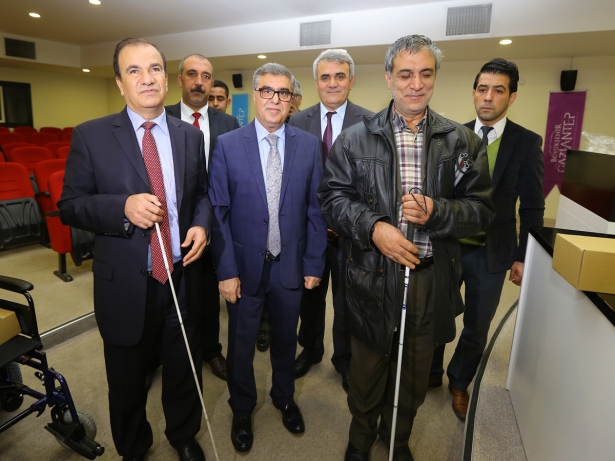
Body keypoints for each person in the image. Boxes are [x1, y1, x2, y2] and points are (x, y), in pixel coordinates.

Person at [318, 35, 495, 461]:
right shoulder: (354, 139)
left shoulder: (463, 141)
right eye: (405, 74)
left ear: (435, 77)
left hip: (429, 279)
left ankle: (397, 440)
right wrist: (374, 227)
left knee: (414, 376)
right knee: (366, 373)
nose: (416, 84)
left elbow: (481, 210)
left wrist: (438, 211)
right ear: (388, 78)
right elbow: (332, 199)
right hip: (372, 275)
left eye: (425, 74)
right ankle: (360, 442)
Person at [58, 38, 211, 461]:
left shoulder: (189, 136)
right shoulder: (91, 136)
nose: (147, 78)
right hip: (124, 283)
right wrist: (121, 207)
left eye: (155, 68)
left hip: (181, 275)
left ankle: (183, 435)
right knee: (126, 380)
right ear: (120, 83)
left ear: (167, 78)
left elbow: (201, 194)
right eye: (134, 70)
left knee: (183, 367)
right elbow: (70, 206)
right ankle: (134, 447)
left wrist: (201, 225)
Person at [208, 62, 327, 455]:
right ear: (256, 95)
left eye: (283, 92)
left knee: (285, 340)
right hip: (243, 269)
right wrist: (226, 271)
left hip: (291, 265)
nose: (275, 99)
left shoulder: (309, 146)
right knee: (241, 345)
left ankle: (284, 397)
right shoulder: (227, 145)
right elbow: (219, 213)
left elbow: (316, 210)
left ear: (292, 100)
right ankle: (242, 408)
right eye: (267, 91)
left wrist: (314, 262)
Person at [429, 58, 545, 420]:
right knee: (437, 314)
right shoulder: (451, 135)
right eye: (482, 89)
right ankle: (430, 371)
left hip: (492, 254)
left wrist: (523, 256)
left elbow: (533, 206)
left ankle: (459, 381)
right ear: (474, 93)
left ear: (511, 97)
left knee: (477, 326)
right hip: (447, 247)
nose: (488, 97)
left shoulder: (526, 143)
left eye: (498, 90)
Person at [288, 48, 373, 392]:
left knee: (347, 302)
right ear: (316, 82)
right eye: (325, 77)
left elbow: (372, 184)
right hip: (309, 233)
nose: (333, 83)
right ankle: (310, 349)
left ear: (351, 81)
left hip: (350, 235)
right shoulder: (297, 122)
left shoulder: (370, 123)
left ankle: (345, 359)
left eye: (340, 76)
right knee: (309, 299)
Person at [166, 54, 239, 381]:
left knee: (209, 294)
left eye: (206, 76)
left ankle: (210, 350)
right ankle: (160, 355)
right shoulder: (162, 116)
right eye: (192, 74)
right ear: (180, 79)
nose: (199, 82)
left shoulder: (228, 123)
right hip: (173, 223)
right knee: (169, 294)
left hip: (217, 222)